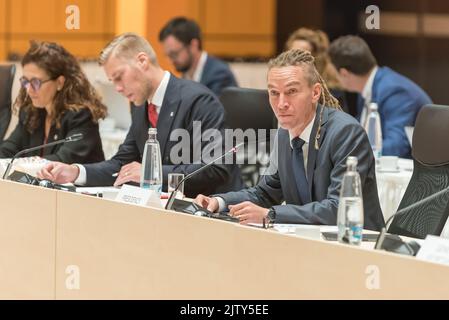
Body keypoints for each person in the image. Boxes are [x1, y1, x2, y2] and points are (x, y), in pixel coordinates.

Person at [194, 49, 385, 231]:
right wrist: (219, 202)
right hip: (309, 241)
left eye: (291, 92)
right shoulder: (285, 132)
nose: (281, 104)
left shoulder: (346, 133)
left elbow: (339, 208)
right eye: (274, 93)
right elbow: (266, 192)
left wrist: (271, 215)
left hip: (358, 244)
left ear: (315, 93)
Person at [38, 33, 243, 197]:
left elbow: (215, 168)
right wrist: (75, 172)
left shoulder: (199, 100)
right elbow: (121, 163)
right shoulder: (140, 105)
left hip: (209, 213)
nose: (117, 88)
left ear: (142, 61)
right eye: (113, 81)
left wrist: (150, 173)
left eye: (119, 77)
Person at [0, 41, 106, 163]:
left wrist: (20, 164)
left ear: (60, 82)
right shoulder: (30, 112)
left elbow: (61, 161)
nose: (29, 89)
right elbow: (8, 150)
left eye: (35, 82)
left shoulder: (81, 115)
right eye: (25, 81)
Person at [328, 35, 432, 158]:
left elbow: (397, 146)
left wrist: (348, 151)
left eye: (334, 74)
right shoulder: (368, 87)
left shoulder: (395, 91)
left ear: (344, 73)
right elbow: (358, 130)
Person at [159, 16, 238, 97]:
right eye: (168, 55)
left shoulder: (220, 75)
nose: (171, 61)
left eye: (174, 54)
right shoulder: (186, 73)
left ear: (193, 45)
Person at [285, 27, 349, 112]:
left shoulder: (332, 92)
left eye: (301, 54)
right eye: (292, 54)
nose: (295, 59)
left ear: (316, 59)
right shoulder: (282, 87)